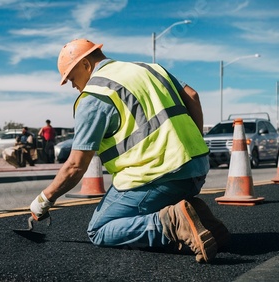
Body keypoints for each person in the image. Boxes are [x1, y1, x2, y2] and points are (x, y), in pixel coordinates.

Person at [29, 38, 230, 263]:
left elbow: (76, 166)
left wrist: (44, 199)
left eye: (72, 78)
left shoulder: (94, 96)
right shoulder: (150, 69)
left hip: (158, 175)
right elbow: (192, 95)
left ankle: (173, 223)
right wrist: (193, 142)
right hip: (196, 167)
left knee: (99, 229)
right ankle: (198, 218)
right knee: (148, 201)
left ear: (86, 64)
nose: (73, 86)